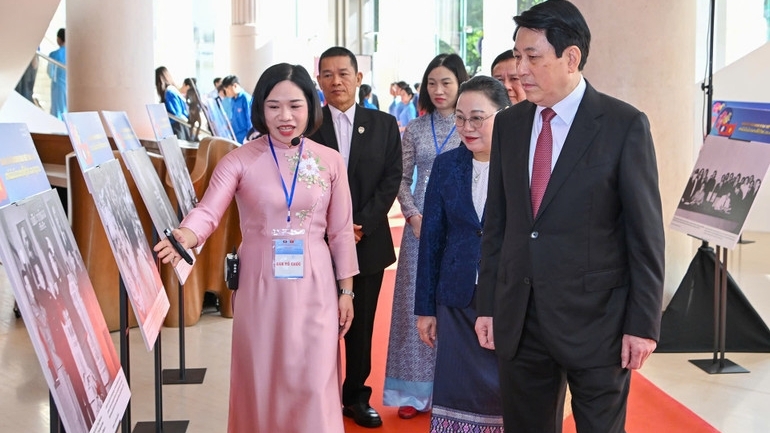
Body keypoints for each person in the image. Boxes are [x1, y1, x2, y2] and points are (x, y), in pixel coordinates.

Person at [474, 1, 665, 432]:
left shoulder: (623, 125)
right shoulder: (509, 125)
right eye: (517, 56)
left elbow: (645, 235)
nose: (519, 70)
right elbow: (498, 224)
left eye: (532, 56)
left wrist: (642, 324)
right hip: (521, 318)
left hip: (598, 322)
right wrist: (488, 305)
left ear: (571, 57)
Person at [154, 62, 358, 433]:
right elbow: (208, 211)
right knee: (262, 374)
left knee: (315, 377)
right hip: (260, 284)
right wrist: (186, 234)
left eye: (295, 105)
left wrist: (346, 291)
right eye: (274, 106)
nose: (285, 116)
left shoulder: (329, 161)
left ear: (312, 107)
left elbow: (341, 231)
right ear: (260, 108)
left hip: (316, 285)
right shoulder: (239, 160)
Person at [310, 46, 402, 428]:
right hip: (316, 244)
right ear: (318, 81)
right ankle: (318, 395)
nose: (336, 81)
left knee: (361, 326)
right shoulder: (308, 126)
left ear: (358, 78)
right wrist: (332, 229)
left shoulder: (383, 124)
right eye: (327, 75)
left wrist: (359, 224)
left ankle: (355, 397)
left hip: (367, 242)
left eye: (343, 73)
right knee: (316, 324)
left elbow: (391, 179)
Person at [416, 75, 509, 432]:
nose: (467, 127)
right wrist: (426, 308)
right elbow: (432, 241)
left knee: (503, 392)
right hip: (455, 297)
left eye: (477, 118)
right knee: (456, 390)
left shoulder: (522, 167)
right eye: (460, 118)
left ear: (503, 116)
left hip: (506, 297)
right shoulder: (446, 166)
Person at [383, 52, 469, 420]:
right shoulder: (416, 129)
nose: (438, 89)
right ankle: (413, 392)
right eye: (432, 83)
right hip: (419, 229)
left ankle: (451, 390)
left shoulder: (471, 125)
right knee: (413, 306)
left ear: (461, 84)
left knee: (454, 307)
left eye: (446, 82)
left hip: (460, 227)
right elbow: (401, 178)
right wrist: (413, 215)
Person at [155, 66, 191, 140]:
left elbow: (175, 114)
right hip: (182, 126)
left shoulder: (169, 92)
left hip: (177, 128)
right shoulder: (173, 90)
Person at [221, 74, 254, 143]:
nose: (226, 93)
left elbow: (251, 120)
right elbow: (234, 117)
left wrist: (249, 137)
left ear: (235, 86)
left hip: (245, 137)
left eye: (227, 90)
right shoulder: (232, 100)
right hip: (235, 136)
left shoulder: (246, 99)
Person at [48, 28, 67, 120]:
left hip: (57, 85)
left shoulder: (54, 54)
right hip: (69, 86)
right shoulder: (72, 54)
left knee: (57, 110)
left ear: (58, 39)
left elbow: (50, 72)